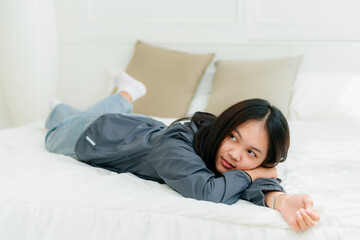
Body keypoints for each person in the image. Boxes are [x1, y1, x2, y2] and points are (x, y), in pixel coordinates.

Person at [45, 72, 320, 232]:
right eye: (233, 136)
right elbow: (208, 191)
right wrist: (252, 174)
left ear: (264, 159)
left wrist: (280, 199)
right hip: (99, 134)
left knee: (66, 117)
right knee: (53, 132)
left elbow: (247, 181)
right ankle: (122, 96)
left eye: (251, 153)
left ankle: (83, 105)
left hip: (141, 130)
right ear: (223, 126)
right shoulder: (175, 146)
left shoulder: (233, 161)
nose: (236, 155)